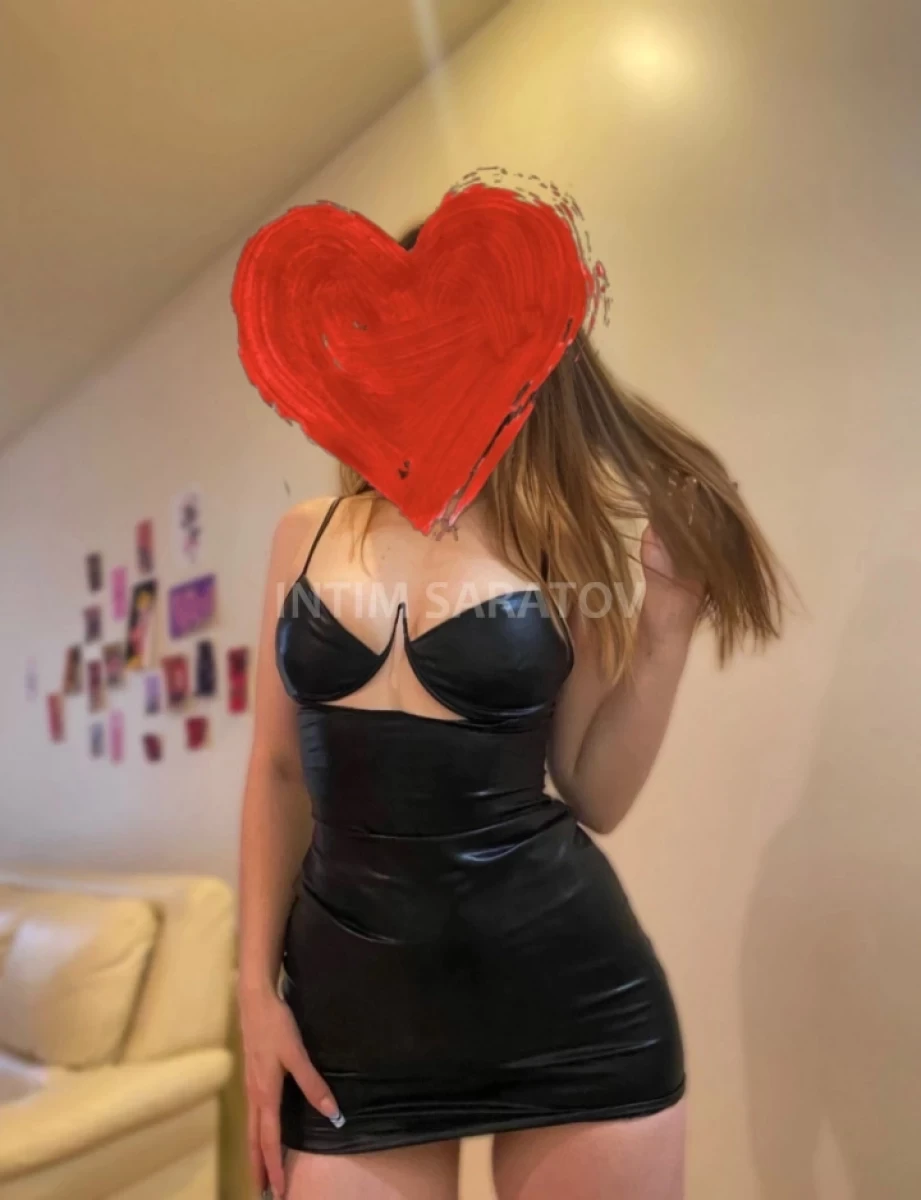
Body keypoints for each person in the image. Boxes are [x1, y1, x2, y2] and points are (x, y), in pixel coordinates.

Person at [237, 222, 785, 1200]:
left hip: (570, 1006)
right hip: (350, 1026)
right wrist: (251, 993)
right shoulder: (304, 536)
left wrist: (665, 623)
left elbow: (594, 791)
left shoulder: (558, 545)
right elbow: (279, 774)